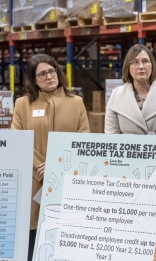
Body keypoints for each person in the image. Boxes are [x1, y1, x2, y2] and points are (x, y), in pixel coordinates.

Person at [11, 54, 90, 261]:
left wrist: (56, 166)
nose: (49, 77)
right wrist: (41, 167)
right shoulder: (22, 105)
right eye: (42, 74)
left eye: (52, 71)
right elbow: (17, 141)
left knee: (63, 238)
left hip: (66, 180)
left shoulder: (76, 103)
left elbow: (83, 142)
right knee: (32, 235)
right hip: (33, 180)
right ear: (34, 79)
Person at [105, 44, 156, 135]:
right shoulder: (116, 95)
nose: (141, 66)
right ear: (128, 68)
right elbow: (111, 136)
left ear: (152, 65)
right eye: (135, 62)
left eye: (145, 61)